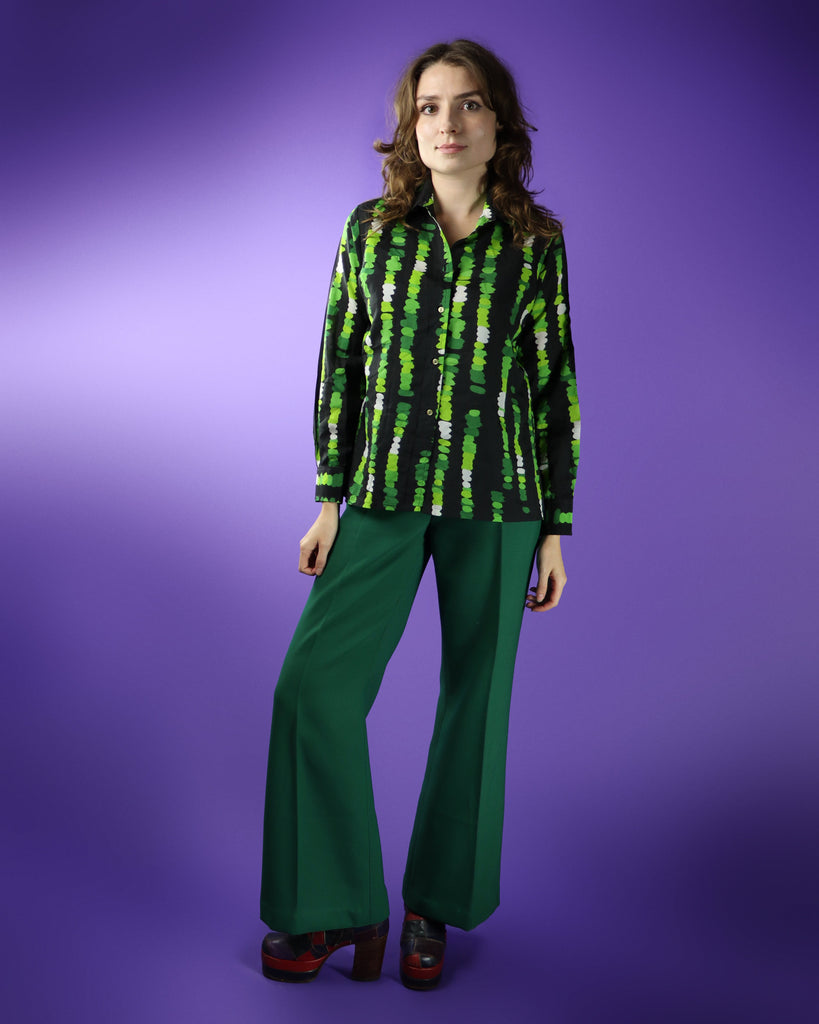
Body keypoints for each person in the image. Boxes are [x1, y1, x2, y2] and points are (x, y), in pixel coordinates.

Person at [259, 38, 580, 990]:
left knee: (475, 704)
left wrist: (555, 526)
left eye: (468, 103)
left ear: (497, 121)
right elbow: (340, 362)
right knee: (312, 690)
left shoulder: (536, 240)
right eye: (430, 106)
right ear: (409, 125)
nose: (448, 122)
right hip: (382, 491)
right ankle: (335, 905)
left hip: (500, 499)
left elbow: (552, 382)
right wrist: (329, 498)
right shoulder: (370, 231)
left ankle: (430, 909)